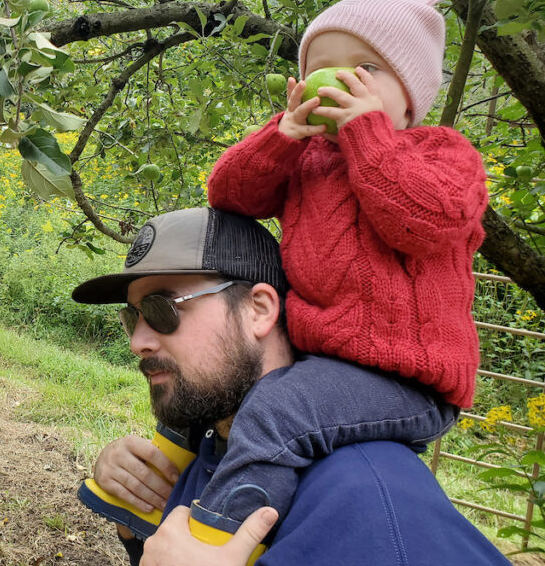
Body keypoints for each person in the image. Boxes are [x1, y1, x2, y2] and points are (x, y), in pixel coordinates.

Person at [177, 0, 490, 540]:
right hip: (326, 364)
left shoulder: (444, 154)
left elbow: (420, 222)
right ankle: (171, 490)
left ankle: (216, 539)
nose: (341, 81)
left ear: (411, 95)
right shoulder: (308, 159)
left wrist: (367, 133)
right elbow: (229, 194)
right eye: (322, 68)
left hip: (410, 377)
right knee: (215, 385)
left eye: (365, 68)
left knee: (278, 410)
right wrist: (282, 137)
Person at [72, 207, 508, 566]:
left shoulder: (368, 493)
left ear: (259, 310)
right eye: (133, 317)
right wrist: (134, 523)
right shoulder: (209, 449)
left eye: (162, 308)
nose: (138, 342)